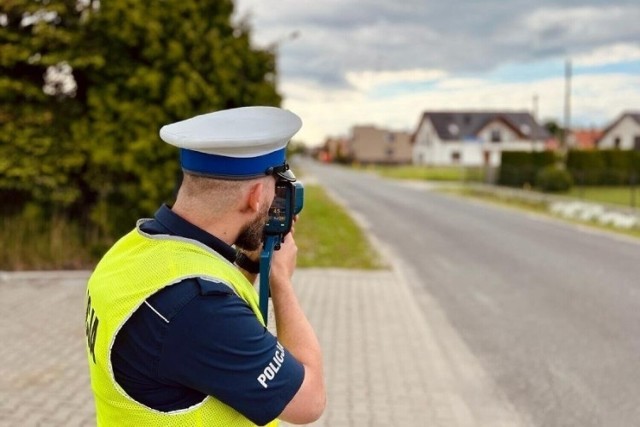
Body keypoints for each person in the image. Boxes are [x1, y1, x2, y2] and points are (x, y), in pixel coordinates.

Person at [84, 106, 326, 426]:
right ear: (256, 196)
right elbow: (309, 401)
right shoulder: (197, 307)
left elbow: (193, 338)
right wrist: (280, 279)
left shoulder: (133, 250)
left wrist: (252, 266)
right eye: (278, 189)